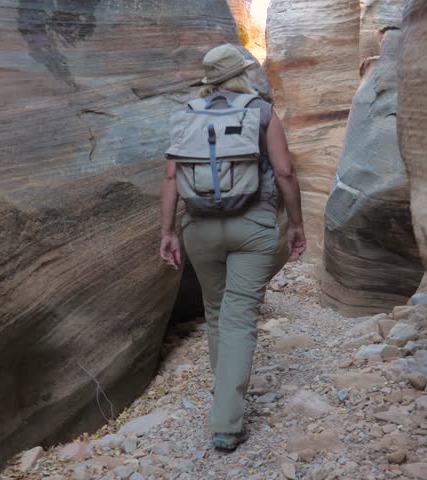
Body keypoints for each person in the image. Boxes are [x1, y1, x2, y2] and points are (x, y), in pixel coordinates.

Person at [159, 44, 306, 451]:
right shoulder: (260, 113)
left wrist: (167, 232)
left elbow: (171, 178)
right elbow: (284, 171)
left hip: (199, 228)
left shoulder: (188, 113)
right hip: (253, 225)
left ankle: (224, 394)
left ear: (210, 79)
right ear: (242, 74)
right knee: (240, 318)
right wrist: (295, 224)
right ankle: (225, 422)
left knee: (217, 312)